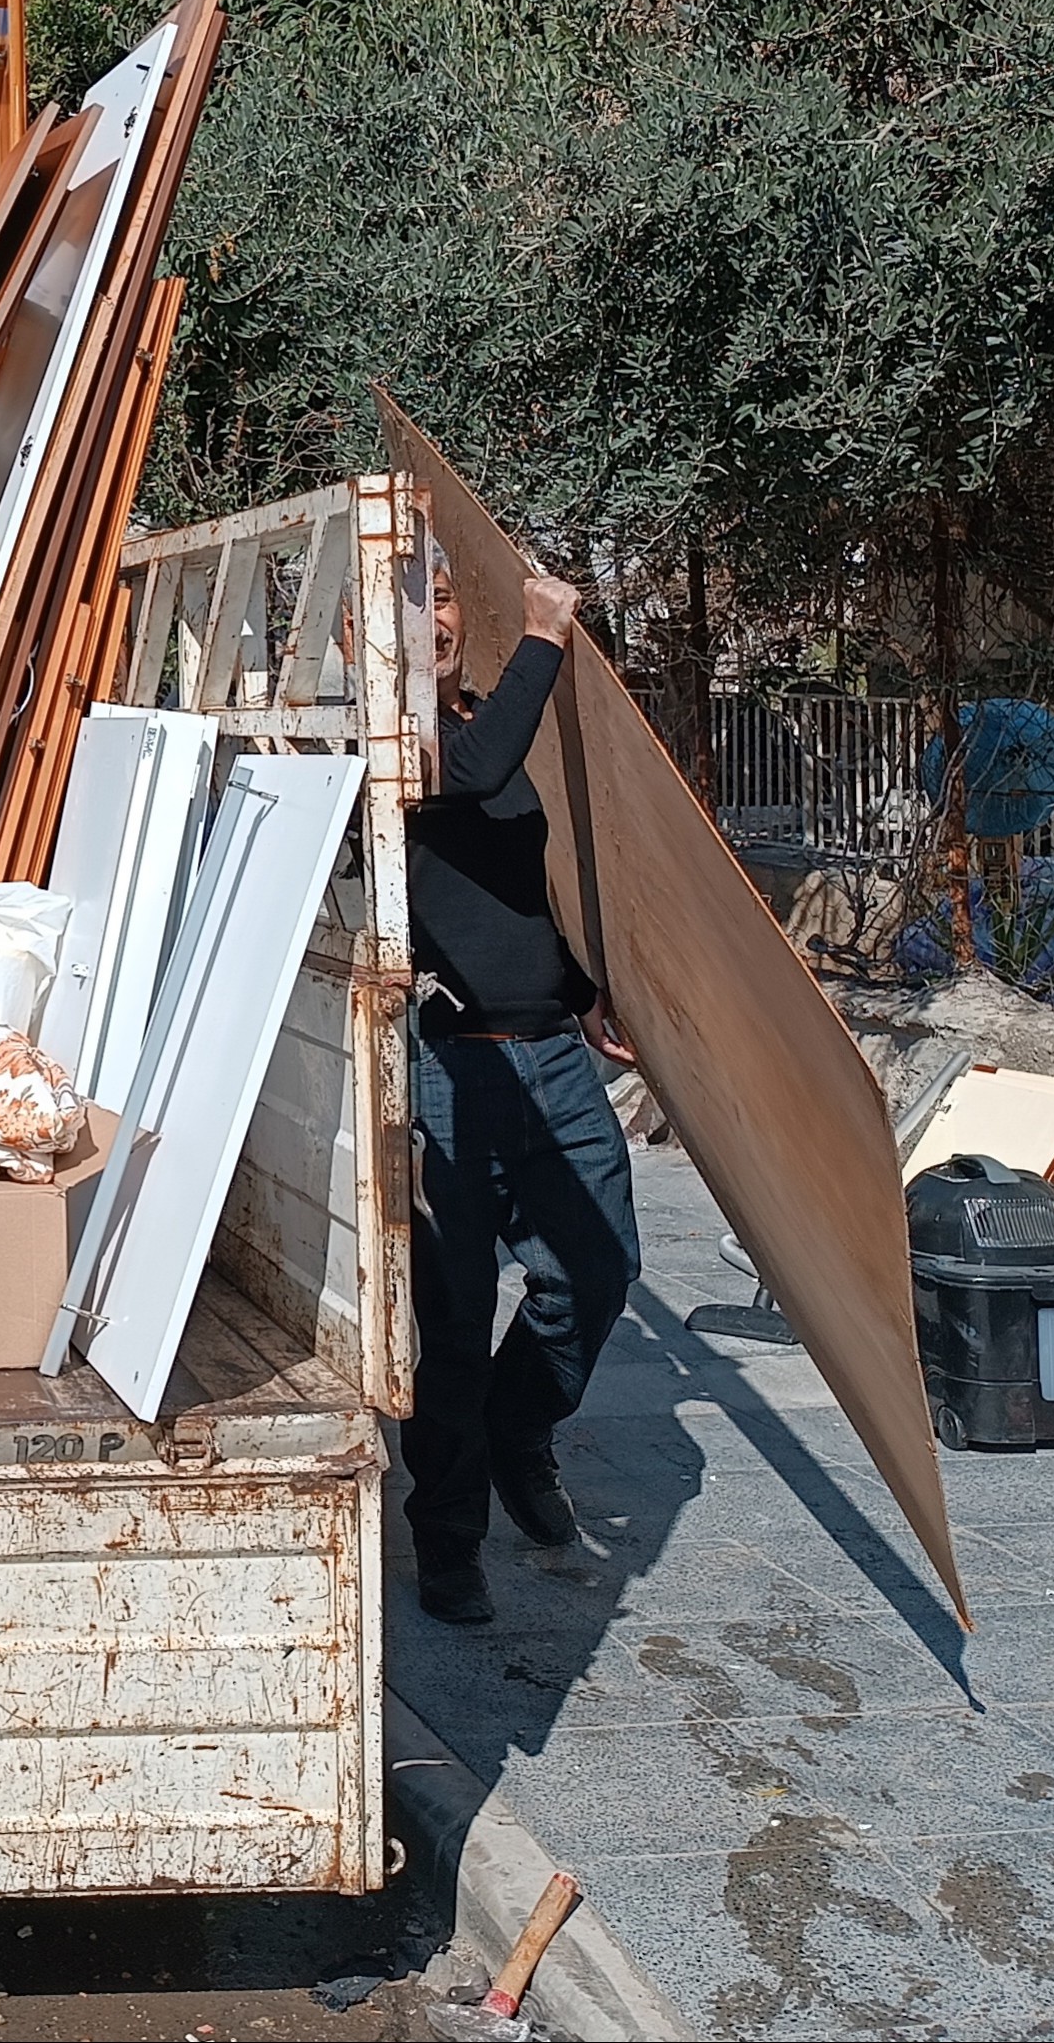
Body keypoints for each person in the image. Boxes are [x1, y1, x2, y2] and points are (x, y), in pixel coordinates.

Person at [402, 561, 643, 1626]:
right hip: (448, 1064)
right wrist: (545, 633)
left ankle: (517, 1428)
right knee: (451, 1318)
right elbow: (474, 766)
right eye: (413, 593)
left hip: (548, 1052)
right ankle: (448, 1537)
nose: (437, 615)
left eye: (447, 593)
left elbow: (524, 884)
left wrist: (585, 987)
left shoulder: (471, 714)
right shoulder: (381, 738)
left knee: (597, 1268)